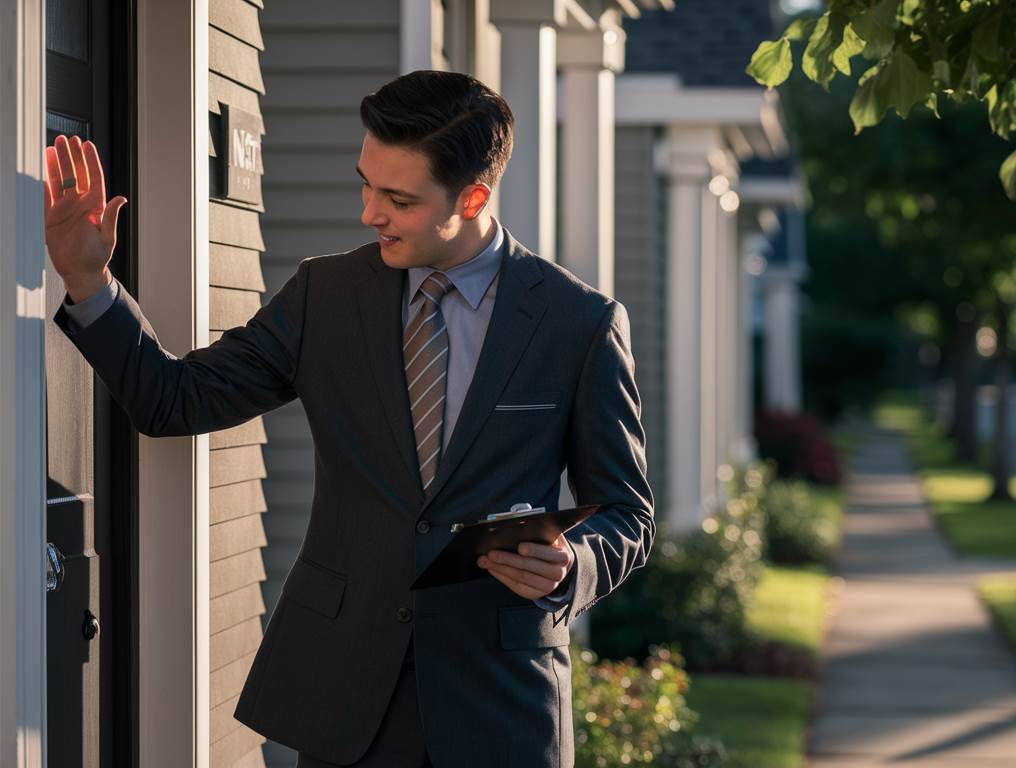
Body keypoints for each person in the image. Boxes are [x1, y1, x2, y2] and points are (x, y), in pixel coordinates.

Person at [43, 70, 655, 768]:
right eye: (365, 183)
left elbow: (628, 515)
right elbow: (173, 399)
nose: (370, 213)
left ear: (474, 196)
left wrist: (574, 562)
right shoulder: (323, 297)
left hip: (502, 704)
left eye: (398, 198)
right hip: (346, 699)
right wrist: (89, 282)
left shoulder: (579, 323)